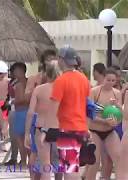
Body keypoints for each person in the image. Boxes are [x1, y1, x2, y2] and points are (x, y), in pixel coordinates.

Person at [51, 46, 90, 179]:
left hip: (67, 128)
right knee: (75, 167)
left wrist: (46, 130)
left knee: (69, 168)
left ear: (62, 60)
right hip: (81, 128)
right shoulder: (84, 79)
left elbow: (53, 108)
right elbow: (85, 103)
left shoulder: (61, 81)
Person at [24, 61, 62, 180]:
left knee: (45, 165)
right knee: (60, 164)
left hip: (42, 127)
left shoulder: (39, 89)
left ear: (46, 73)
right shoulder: (65, 89)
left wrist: (26, 134)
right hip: (60, 127)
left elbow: (30, 112)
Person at [86, 68, 121, 180]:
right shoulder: (94, 92)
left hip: (109, 131)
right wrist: (105, 121)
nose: (110, 83)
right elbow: (89, 114)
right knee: (94, 162)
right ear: (103, 79)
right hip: (95, 130)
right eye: (108, 80)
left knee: (118, 158)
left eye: (113, 81)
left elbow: (120, 114)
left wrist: (116, 122)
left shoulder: (117, 94)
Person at [12, 62, 29, 166]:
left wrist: (12, 101)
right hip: (28, 111)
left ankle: (23, 161)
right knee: (28, 138)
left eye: (14, 71)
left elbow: (21, 99)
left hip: (20, 112)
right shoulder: (30, 81)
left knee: (20, 138)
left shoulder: (18, 84)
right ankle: (29, 160)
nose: (13, 73)